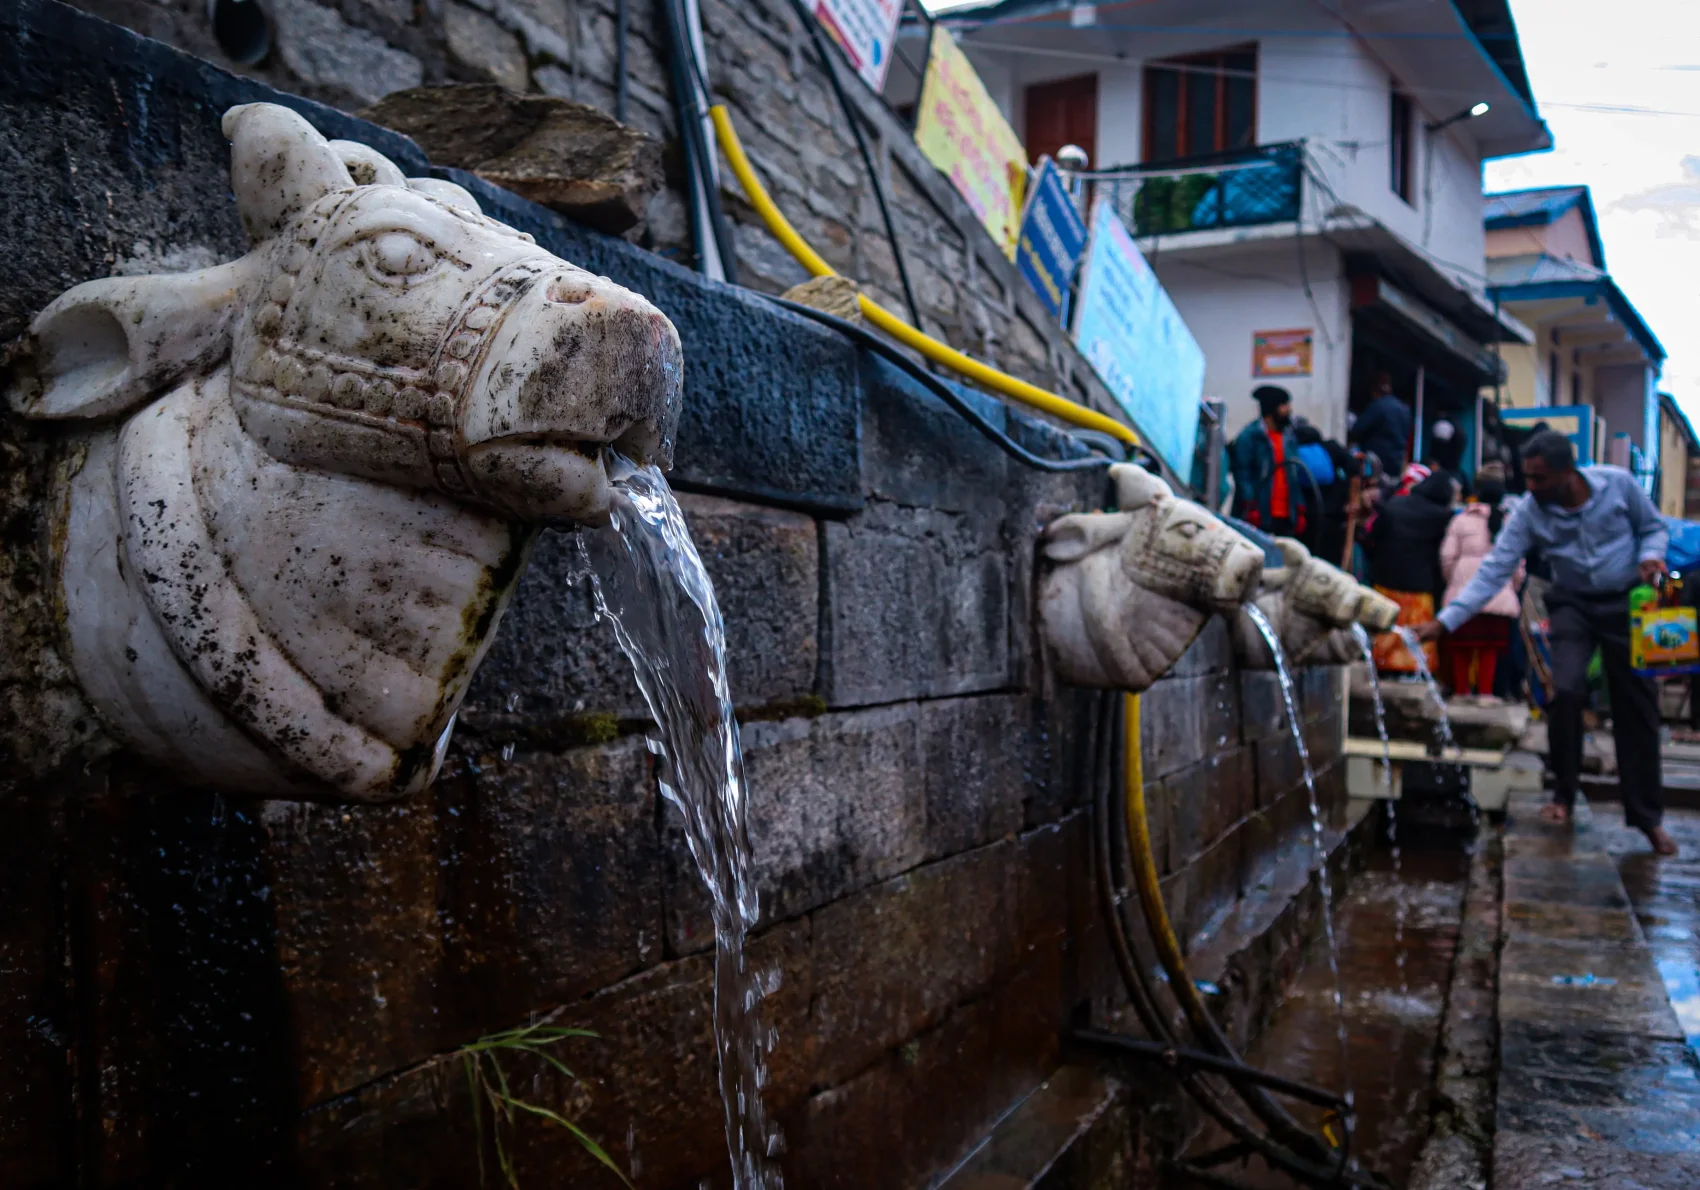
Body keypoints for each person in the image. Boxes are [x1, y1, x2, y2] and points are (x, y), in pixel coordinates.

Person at [1413, 431, 1675, 855]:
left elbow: (1653, 528)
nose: (1530, 488)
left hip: (1626, 603)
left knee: (1638, 707)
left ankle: (1648, 819)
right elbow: (1495, 570)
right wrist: (1445, 622)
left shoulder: (1619, 485)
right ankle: (1563, 794)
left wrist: (1650, 556)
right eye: (1527, 478)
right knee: (1565, 690)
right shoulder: (1530, 512)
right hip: (1571, 603)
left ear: (1568, 472)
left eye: (1539, 479)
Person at [1438, 466, 1522, 701]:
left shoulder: (1461, 520)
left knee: (1461, 645)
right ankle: (1485, 693)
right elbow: (1518, 564)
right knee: (1490, 647)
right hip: (1499, 593)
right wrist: (1511, 588)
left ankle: (1462, 692)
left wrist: (1453, 581)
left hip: (1463, 591)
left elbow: (1447, 556)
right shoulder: (1509, 523)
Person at [1364, 470, 1457, 674]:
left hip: (1385, 581)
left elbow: (1372, 536)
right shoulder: (1443, 517)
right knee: (1416, 639)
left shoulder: (1395, 505)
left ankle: (1381, 666)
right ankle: (1413, 671)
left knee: (1384, 631)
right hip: (1419, 587)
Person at [1229, 385, 1309, 539]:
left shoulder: (1289, 439)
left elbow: (1295, 476)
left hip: (1286, 515)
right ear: (1271, 409)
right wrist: (1250, 506)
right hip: (1260, 514)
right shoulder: (1250, 437)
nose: (1289, 410)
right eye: (1284, 405)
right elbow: (1242, 474)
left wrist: (1299, 509)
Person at [1349, 372, 1414, 475]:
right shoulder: (1404, 409)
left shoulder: (1378, 406)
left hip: (1377, 463)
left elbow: (1357, 430)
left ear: (1374, 390)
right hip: (1397, 463)